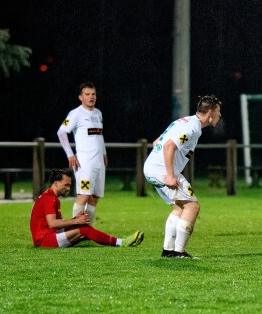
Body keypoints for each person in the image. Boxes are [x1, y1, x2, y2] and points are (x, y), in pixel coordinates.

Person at [144, 94, 222, 259]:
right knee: (193, 207)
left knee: (180, 207)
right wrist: (170, 175)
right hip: (162, 172)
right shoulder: (192, 128)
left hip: (151, 169)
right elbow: (168, 146)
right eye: (218, 112)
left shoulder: (183, 121)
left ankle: (168, 250)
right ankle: (179, 252)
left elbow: (157, 142)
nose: (219, 116)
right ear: (210, 113)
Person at [30, 169, 143, 248]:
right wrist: (75, 221)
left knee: (82, 228)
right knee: (83, 229)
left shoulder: (51, 197)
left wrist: (75, 219)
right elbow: (53, 224)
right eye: (66, 185)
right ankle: (122, 242)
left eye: (69, 185)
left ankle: (118, 241)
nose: (69, 188)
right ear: (56, 183)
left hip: (48, 236)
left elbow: (54, 224)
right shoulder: (49, 198)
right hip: (44, 240)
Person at [57, 82, 107, 225]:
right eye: (87, 94)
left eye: (93, 94)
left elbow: (99, 136)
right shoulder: (75, 114)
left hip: (99, 162)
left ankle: (87, 230)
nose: (91, 97)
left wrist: (104, 153)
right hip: (85, 163)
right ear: (80, 97)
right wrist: (70, 154)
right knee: (83, 196)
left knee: (94, 197)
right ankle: (75, 229)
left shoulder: (98, 113)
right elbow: (61, 132)